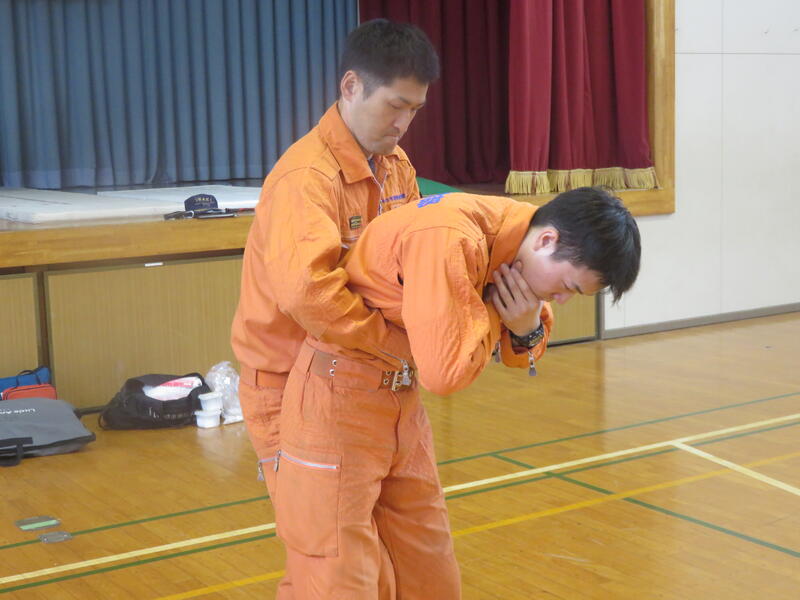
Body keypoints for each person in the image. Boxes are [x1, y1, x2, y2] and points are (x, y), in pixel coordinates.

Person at [274, 187, 641, 598]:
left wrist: (524, 327)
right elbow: (444, 373)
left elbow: (527, 341)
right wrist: (498, 315)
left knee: (429, 573)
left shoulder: (519, 244)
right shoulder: (451, 237)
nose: (560, 300)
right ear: (546, 240)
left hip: (400, 400)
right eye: (567, 287)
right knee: (337, 578)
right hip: (336, 400)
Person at [230, 18, 439, 598]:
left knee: (420, 561)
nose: (403, 123)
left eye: (415, 110)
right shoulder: (306, 177)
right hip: (297, 389)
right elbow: (311, 295)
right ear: (351, 86)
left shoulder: (396, 166)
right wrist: (407, 347)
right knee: (332, 573)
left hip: (380, 385)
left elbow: (411, 268)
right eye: (395, 105)